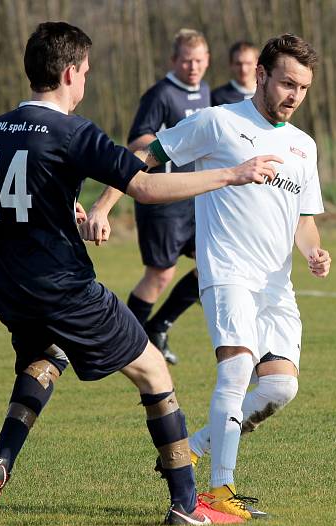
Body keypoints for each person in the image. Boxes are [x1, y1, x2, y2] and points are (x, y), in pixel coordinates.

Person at [0, 22, 279, 526]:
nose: (85, 81)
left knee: (45, 357)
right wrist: (233, 173)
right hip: (64, 288)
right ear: (67, 73)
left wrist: (56, 214)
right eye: (84, 72)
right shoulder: (72, 131)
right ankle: (187, 506)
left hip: (6, 288)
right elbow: (144, 187)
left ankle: (1, 461)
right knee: (154, 373)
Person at [83, 33, 331, 521]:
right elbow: (144, 159)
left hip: (276, 285)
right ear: (260, 75)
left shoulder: (303, 146)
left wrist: (314, 251)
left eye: (302, 88)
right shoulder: (218, 122)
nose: (294, 96)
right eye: (286, 83)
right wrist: (103, 204)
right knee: (237, 370)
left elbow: (305, 220)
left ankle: (191, 447)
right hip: (227, 271)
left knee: (280, 389)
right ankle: (217, 490)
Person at [92, 29, 211, 365]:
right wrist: (171, 144)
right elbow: (137, 142)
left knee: (210, 263)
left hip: (194, 198)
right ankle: (120, 340)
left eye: (199, 60)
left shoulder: (203, 91)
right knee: (159, 275)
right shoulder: (160, 94)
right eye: (187, 60)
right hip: (163, 202)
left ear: (208, 61)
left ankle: (159, 325)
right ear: (174, 60)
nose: (193, 66)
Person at [210, 41, 259, 106]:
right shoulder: (217, 97)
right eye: (238, 64)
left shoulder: (269, 94)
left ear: (257, 63)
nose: (243, 69)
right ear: (231, 64)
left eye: (248, 63)